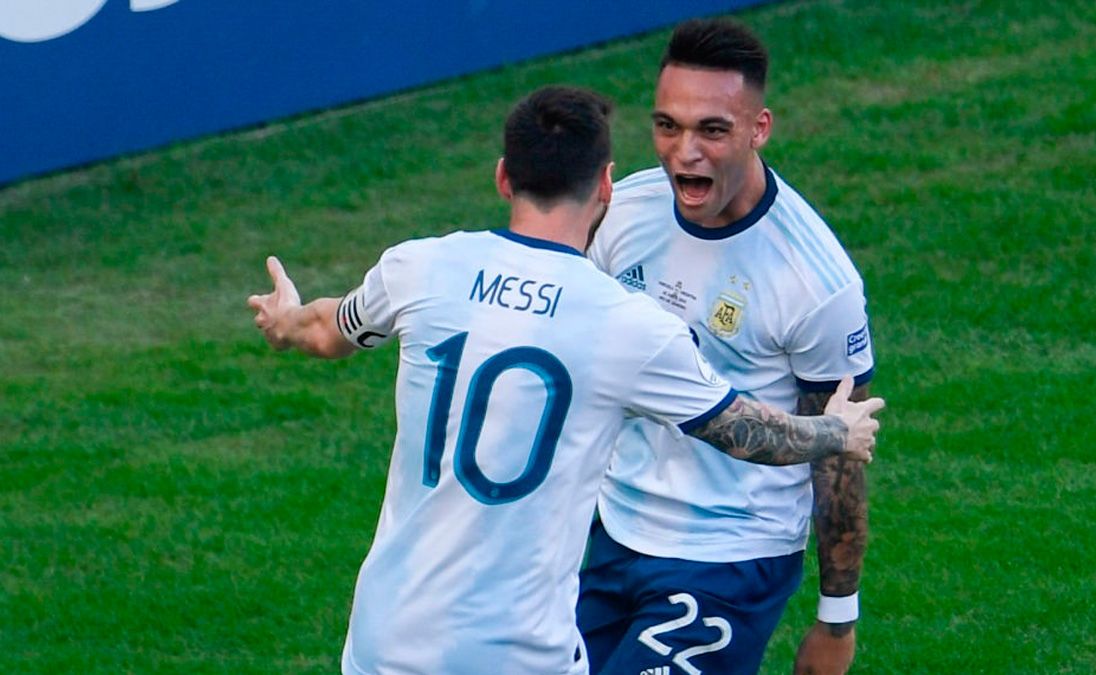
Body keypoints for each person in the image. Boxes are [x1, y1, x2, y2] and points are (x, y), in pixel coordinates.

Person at [246, 85, 885, 675]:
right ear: (606, 186)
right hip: (517, 653)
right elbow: (745, 433)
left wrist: (284, 321)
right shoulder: (627, 327)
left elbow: (330, 330)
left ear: (503, 177)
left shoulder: (419, 268)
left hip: (383, 641)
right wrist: (837, 432)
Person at [577, 18, 877, 675]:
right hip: (614, 531)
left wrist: (836, 620)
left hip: (731, 556)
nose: (685, 153)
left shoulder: (816, 282)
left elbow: (839, 457)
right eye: (667, 125)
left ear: (758, 128)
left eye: (712, 129)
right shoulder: (624, 212)